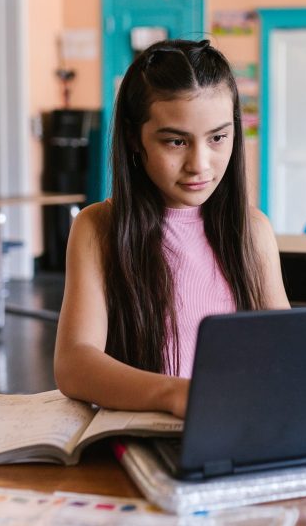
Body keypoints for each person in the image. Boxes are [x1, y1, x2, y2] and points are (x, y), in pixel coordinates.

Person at [54, 39, 290, 418]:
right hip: (144, 438)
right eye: (176, 141)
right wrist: (176, 394)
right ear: (135, 138)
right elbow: (74, 364)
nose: (200, 164)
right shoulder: (97, 228)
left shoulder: (253, 229)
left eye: (218, 137)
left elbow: (286, 348)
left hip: (237, 426)